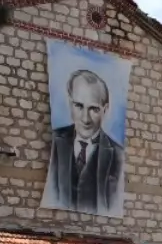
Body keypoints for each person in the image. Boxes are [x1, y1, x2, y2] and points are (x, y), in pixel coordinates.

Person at [42, 69, 125, 215]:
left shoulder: (118, 155)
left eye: (93, 109)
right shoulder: (55, 141)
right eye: (79, 106)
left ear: (105, 110)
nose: (85, 119)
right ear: (70, 103)